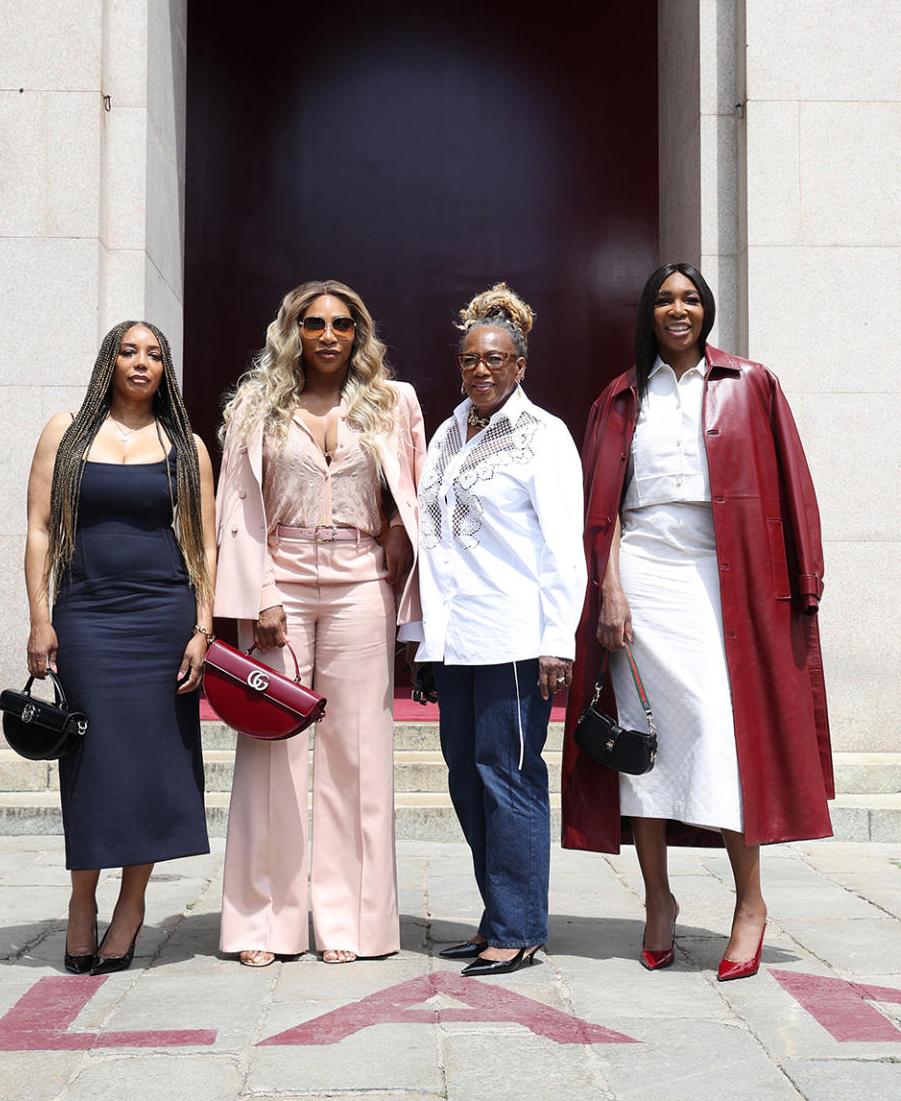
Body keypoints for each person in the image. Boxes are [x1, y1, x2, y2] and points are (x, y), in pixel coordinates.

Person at [561, 263, 833, 981]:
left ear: (705, 310)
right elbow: (603, 510)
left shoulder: (751, 384)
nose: (676, 310)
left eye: (689, 299)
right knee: (643, 745)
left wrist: (805, 582)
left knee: (720, 733)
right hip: (644, 576)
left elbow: (794, 484)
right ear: (648, 313)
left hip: (725, 581)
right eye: (663, 300)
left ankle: (751, 904)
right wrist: (610, 592)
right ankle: (659, 903)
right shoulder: (621, 397)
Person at [215, 279, 424, 967]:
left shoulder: (394, 404)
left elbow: (417, 493)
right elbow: (236, 506)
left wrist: (394, 524)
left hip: (361, 577)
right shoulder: (256, 405)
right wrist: (258, 594)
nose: (328, 334)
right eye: (314, 323)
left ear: (358, 333)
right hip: (280, 577)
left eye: (341, 323)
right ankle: (262, 926)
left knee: (357, 753)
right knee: (271, 751)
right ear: (293, 330)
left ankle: (352, 925)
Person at [404, 283, 586, 976]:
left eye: (497, 360)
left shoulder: (544, 437)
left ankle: (518, 927)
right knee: (465, 781)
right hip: (455, 639)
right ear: (460, 364)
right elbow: (433, 542)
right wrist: (424, 638)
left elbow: (564, 549)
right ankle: (495, 917)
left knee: (507, 778)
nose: (482, 371)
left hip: (515, 638)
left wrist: (557, 640)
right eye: (471, 360)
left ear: (520, 366)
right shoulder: (448, 432)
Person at [25, 321, 216, 975]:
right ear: (109, 361)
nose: (142, 362)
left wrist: (203, 626)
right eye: (129, 351)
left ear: (165, 369)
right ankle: (83, 901)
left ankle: (130, 908)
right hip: (85, 613)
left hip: (162, 615)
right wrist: (39, 618)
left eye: (154, 354)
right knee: (91, 761)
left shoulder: (185, 445)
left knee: (152, 763)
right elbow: (40, 528)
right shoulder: (66, 432)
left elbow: (205, 543)